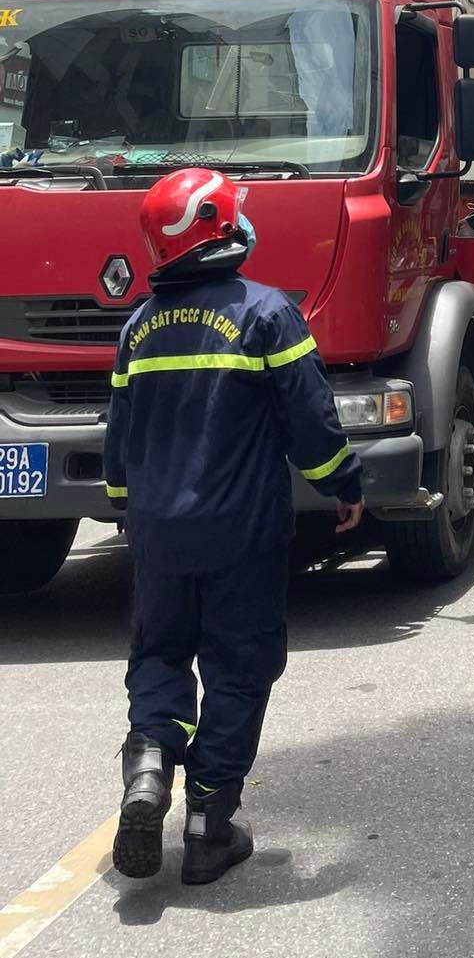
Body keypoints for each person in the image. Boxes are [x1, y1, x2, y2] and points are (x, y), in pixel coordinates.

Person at [105, 169, 364, 884]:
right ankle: (208, 826)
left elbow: (120, 442)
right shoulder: (267, 313)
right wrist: (343, 484)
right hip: (240, 531)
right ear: (219, 229)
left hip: (157, 531)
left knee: (160, 653)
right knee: (238, 666)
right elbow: (311, 422)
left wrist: (129, 507)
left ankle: (149, 764)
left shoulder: (136, 328)